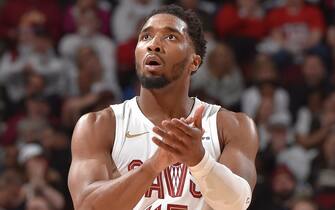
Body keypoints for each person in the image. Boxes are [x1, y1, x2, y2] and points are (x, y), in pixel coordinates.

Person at [68, 4, 258, 210]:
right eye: (146, 37)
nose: (153, 45)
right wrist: (153, 166)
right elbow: (86, 207)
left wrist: (199, 160)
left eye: (171, 37)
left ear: (194, 62)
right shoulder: (99, 125)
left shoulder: (230, 125)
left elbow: (238, 205)